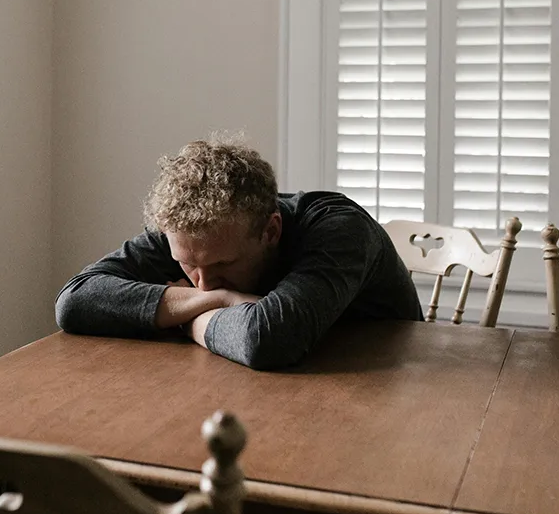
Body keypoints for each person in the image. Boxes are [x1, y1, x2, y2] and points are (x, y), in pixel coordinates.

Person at [54, 136, 423, 370]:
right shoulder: (191, 233)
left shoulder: (340, 228)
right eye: (187, 265)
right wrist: (222, 299)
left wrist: (186, 319)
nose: (203, 283)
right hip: (270, 386)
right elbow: (74, 301)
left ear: (271, 230)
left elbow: (267, 338)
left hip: (396, 388)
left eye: (223, 266)